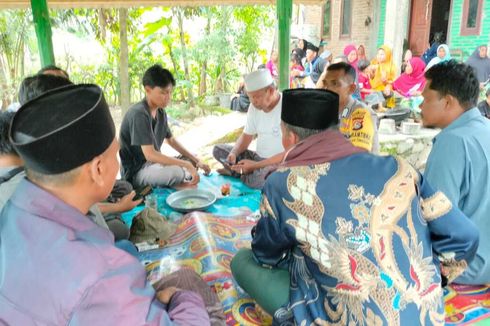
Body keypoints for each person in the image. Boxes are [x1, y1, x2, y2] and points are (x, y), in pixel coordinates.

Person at [231, 87, 478, 325]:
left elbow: (265, 255)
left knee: (243, 261)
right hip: (425, 317)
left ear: (290, 137)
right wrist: (433, 281)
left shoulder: (283, 182)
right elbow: (465, 237)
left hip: (343, 316)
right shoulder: (401, 168)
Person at [0, 84, 209, 324]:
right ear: (98, 169)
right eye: (115, 153)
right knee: (189, 285)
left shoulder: (11, 212)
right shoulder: (101, 271)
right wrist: (182, 299)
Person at [422, 60, 490, 285]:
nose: (420, 107)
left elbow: (436, 219)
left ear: (448, 102)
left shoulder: (452, 142)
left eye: (426, 99)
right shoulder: (485, 128)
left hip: (466, 268)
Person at [119, 64, 210, 188]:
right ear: (147, 90)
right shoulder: (139, 113)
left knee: (192, 159)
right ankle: (181, 180)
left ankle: (182, 176)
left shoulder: (161, 112)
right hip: (137, 172)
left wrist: (195, 160)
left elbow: (171, 140)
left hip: (154, 165)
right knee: (177, 172)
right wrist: (186, 165)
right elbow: (150, 154)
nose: (168, 98)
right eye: (163, 93)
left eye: (170, 92)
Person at [213, 69, 283, 189]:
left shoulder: (287, 106)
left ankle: (239, 173)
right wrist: (234, 153)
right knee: (218, 150)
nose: (253, 102)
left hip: (277, 164)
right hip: (257, 158)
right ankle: (243, 172)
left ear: (271, 91)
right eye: (250, 97)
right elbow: (246, 136)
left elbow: (292, 152)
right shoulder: (254, 107)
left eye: (256, 97)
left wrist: (255, 166)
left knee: (266, 179)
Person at [317, 62, 379, 153]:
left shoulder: (361, 113)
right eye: (326, 84)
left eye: (335, 84)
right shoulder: (335, 111)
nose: (328, 89)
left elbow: (359, 157)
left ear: (351, 88)